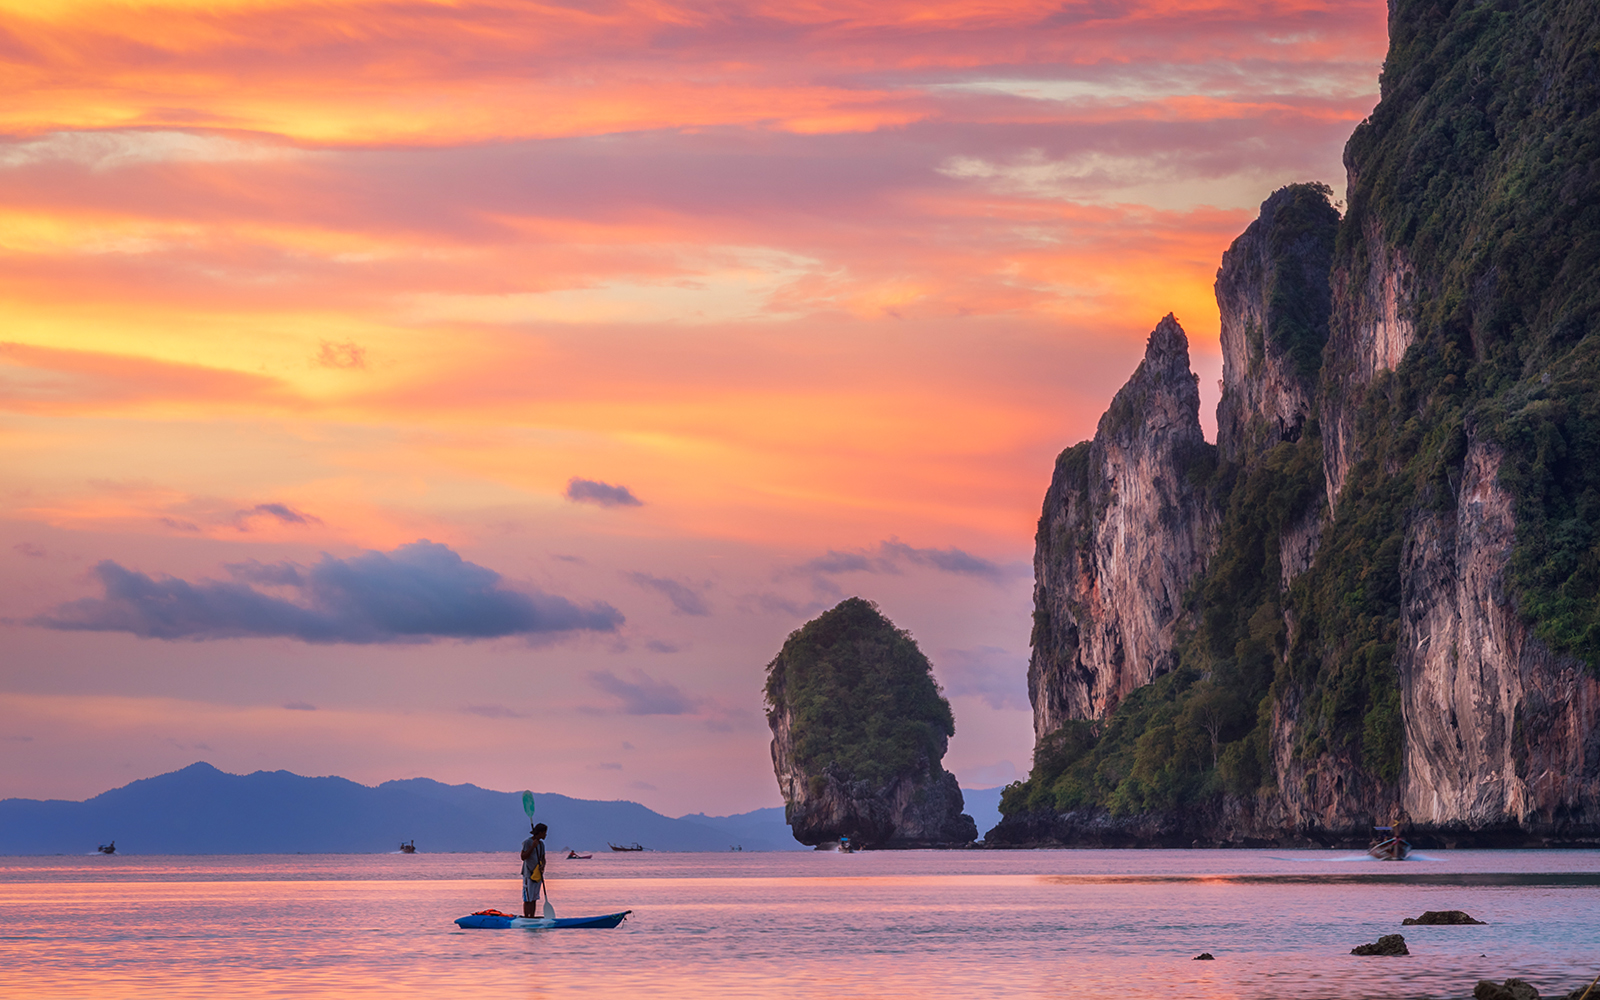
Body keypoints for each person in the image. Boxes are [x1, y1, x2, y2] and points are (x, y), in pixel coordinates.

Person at [520, 822, 547, 918]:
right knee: (528, 898)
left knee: (534, 897)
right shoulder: (527, 842)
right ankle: (527, 917)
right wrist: (532, 847)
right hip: (528, 873)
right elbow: (523, 857)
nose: (545, 835)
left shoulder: (541, 844)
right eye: (544, 833)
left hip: (537, 874)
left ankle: (532, 916)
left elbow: (543, 858)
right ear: (539, 833)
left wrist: (542, 866)